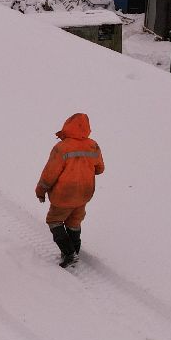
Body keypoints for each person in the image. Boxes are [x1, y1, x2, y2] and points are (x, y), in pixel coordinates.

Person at [35, 113, 104, 266]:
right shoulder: (93, 145)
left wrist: (41, 190)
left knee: (54, 220)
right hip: (84, 193)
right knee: (74, 222)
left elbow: (49, 174)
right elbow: (100, 169)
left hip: (64, 195)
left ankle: (69, 253)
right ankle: (74, 253)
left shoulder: (61, 148)